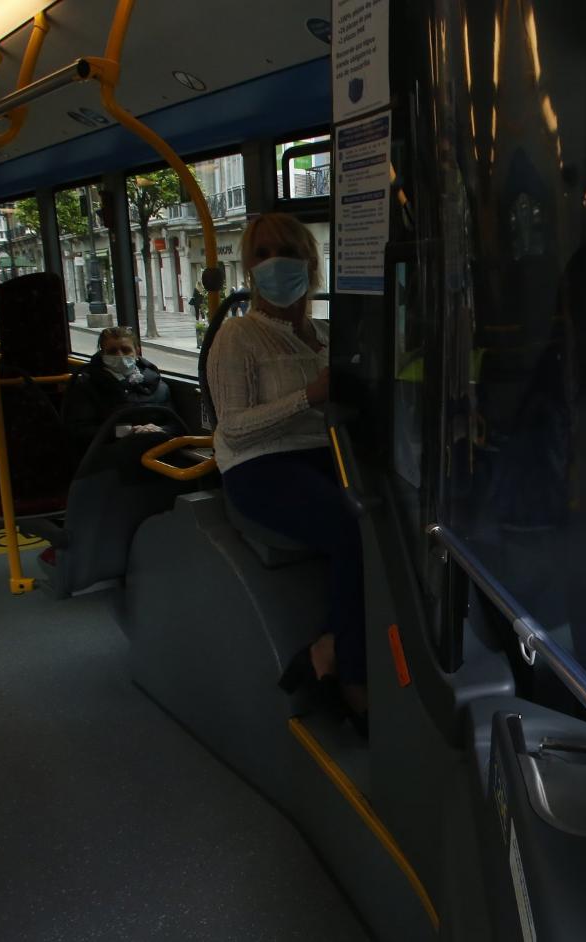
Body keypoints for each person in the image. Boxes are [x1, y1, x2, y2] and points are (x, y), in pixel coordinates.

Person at [206, 213, 367, 734]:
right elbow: (233, 430)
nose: (275, 262)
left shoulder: (325, 333)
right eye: (262, 253)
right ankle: (349, 671)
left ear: (310, 261)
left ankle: (333, 644)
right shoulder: (238, 336)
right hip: (260, 465)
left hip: (325, 455)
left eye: (287, 250)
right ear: (250, 269)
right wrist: (308, 396)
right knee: (351, 525)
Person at [62, 326, 173, 461]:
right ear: (103, 354)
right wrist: (126, 432)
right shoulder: (87, 385)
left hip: (156, 455)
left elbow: (176, 425)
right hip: (108, 457)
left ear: (137, 351)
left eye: (125, 350)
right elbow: (80, 431)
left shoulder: (157, 385)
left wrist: (159, 429)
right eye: (112, 352)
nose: (120, 355)